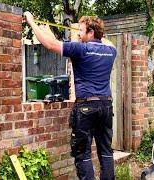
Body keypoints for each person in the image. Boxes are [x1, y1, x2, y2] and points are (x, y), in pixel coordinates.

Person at [24, 12, 117, 180]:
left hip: (86, 107)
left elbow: (50, 44)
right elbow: (105, 40)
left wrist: (32, 22)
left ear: (91, 32)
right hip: (106, 106)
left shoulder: (81, 49)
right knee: (106, 150)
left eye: (81, 31)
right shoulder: (111, 50)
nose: (79, 34)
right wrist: (95, 32)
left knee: (83, 153)